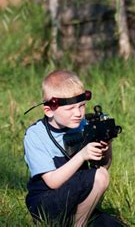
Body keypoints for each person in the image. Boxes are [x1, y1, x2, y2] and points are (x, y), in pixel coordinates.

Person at [23, 70, 112, 226]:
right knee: (100, 176)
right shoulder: (35, 134)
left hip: (78, 199)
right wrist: (82, 155)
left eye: (82, 106)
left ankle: (75, 220)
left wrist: (106, 145)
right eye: (70, 109)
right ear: (49, 110)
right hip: (46, 202)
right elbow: (52, 182)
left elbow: (103, 166)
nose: (78, 113)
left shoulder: (83, 125)